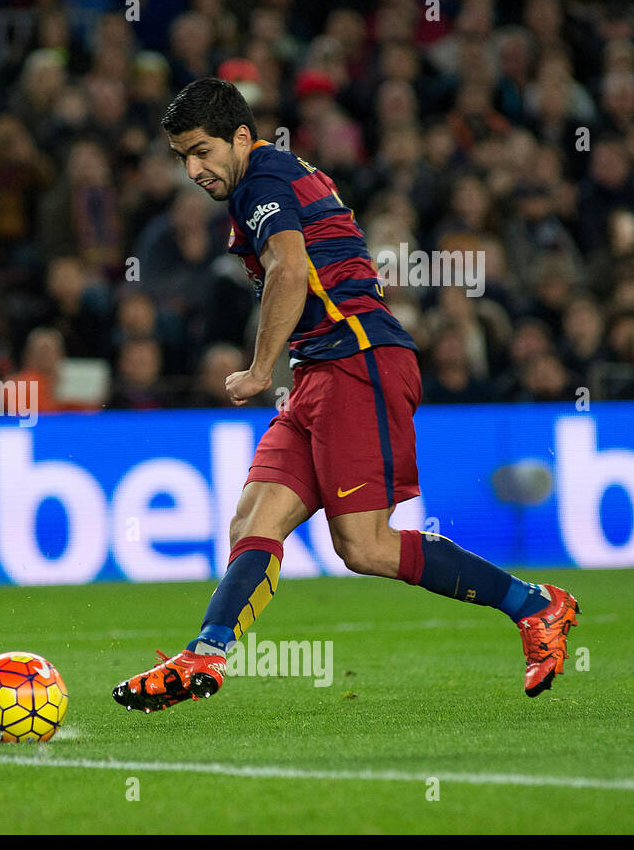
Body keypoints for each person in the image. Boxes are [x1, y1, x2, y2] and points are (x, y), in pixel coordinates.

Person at [113, 78, 579, 711]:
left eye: (201, 152)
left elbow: (288, 267)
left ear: (241, 138)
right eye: (182, 158)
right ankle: (206, 655)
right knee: (253, 520)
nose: (192, 170)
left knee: (364, 546)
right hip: (320, 372)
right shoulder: (272, 176)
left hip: (359, 362)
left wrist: (257, 369)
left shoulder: (262, 181)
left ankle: (538, 605)